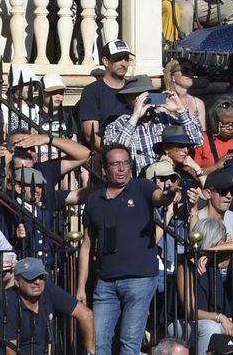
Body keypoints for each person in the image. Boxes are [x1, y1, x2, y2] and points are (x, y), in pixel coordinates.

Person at [81, 145, 176, 355]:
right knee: (97, 343)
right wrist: (80, 287)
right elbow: (86, 245)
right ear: (104, 168)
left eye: (125, 163)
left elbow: (159, 198)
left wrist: (168, 196)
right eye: (116, 164)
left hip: (139, 278)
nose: (122, 168)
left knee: (130, 343)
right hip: (105, 282)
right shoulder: (94, 200)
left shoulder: (142, 187)